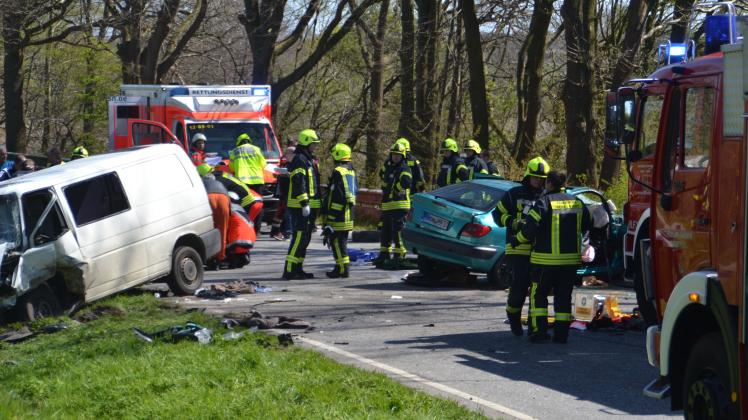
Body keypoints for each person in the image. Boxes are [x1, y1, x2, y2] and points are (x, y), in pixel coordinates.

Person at [517, 171, 592, 344]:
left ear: (549, 183)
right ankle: (561, 335)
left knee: (539, 296)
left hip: (544, 261)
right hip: (570, 262)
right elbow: (590, 223)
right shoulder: (577, 202)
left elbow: (529, 229)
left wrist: (516, 240)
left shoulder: (544, 202)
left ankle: (539, 332)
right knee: (564, 297)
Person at [493, 156, 549, 336]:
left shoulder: (546, 196)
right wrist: (513, 222)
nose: (538, 181)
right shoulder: (514, 194)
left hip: (539, 252)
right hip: (517, 249)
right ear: (527, 176)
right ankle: (513, 318)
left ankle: (535, 328)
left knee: (538, 291)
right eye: (535, 177)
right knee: (518, 289)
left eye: (541, 178)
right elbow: (497, 215)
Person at [282, 129, 321, 280]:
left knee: (304, 239)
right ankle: (290, 270)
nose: (315, 147)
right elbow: (299, 182)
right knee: (298, 238)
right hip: (299, 207)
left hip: (307, 206)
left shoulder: (307, 159)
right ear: (306, 143)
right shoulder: (300, 160)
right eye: (314, 144)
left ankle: (298, 268)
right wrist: (304, 203)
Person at [321, 143, 357, 278]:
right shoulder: (351, 170)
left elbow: (337, 196)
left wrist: (331, 217)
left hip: (339, 215)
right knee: (342, 242)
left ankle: (341, 269)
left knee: (336, 242)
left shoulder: (338, 171)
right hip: (349, 213)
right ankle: (342, 267)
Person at [373, 142, 412, 266]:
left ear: (402, 157)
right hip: (388, 205)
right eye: (394, 155)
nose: (395, 157)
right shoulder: (388, 166)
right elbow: (382, 174)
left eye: (398, 155)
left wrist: (395, 188)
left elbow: (406, 182)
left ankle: (399, 255)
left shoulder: (404, 168)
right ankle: (384, 254)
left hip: (400, 205)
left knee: (398, 232)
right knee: (385, 232)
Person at [210, 165, 263, 231]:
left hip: (250, 203)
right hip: (255, 198)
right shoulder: (224, 175)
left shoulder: (218, 181)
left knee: (242, 227)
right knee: (245, 226)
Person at [197, 164, 231, 268]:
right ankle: (220, 258)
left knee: (207, 230)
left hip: (208, 198)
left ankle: (209, 258)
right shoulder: (219, 181)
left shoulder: (199, 182)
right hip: (223, 198)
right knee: (222, 231)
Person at [270, 145, 295, 240]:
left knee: (287, 213)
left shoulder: (295, 164)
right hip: (283, 191)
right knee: (281, 212)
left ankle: (287, 232)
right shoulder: (286, 164)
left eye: (288, 154)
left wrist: (288, 174)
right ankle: (276, 232)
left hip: (290, 191)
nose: (286, 156)